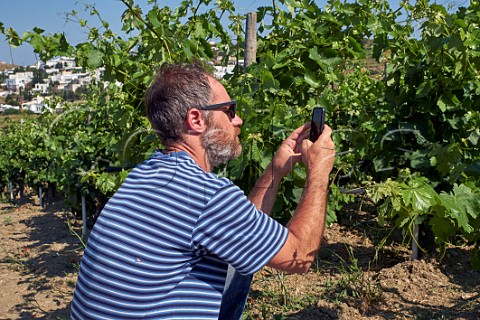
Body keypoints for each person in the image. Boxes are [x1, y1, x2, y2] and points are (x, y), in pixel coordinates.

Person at [70, 62, 335, 320]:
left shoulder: (147, 173)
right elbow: (299, 256)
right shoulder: (205, 195)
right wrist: (319, 171)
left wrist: (275, 172)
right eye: (230, 111)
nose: (238, 120)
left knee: (237, 264)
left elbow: (241, 232)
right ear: (196, 119)